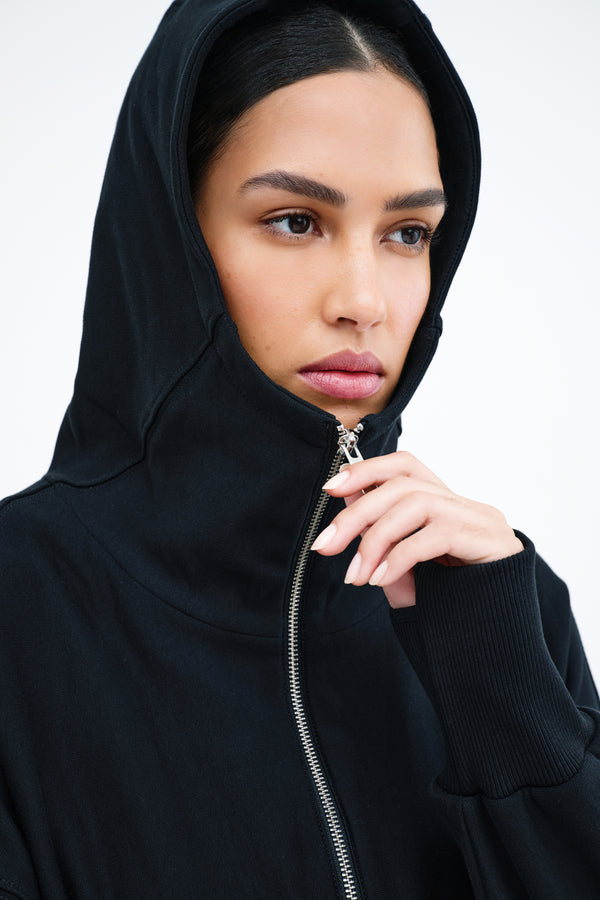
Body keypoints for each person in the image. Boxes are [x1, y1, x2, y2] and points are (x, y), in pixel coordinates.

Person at [0, 0, 598, 897]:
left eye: (407, 234)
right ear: (172, 239)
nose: (364, 301)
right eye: (295, 221)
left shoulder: (501, 604)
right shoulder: (21, 608)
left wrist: (505, 694)